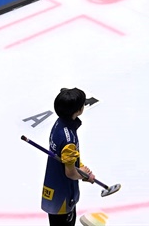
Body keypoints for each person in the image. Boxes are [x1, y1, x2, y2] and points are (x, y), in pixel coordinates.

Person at [40, 87, 97, 226]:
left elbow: (68, 158)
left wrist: (80, 166)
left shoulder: (59, 124)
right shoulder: (69, 140)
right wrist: (85, 176)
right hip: (62, 194)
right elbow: (70, 173)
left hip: (53, 185)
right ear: (78, 110)